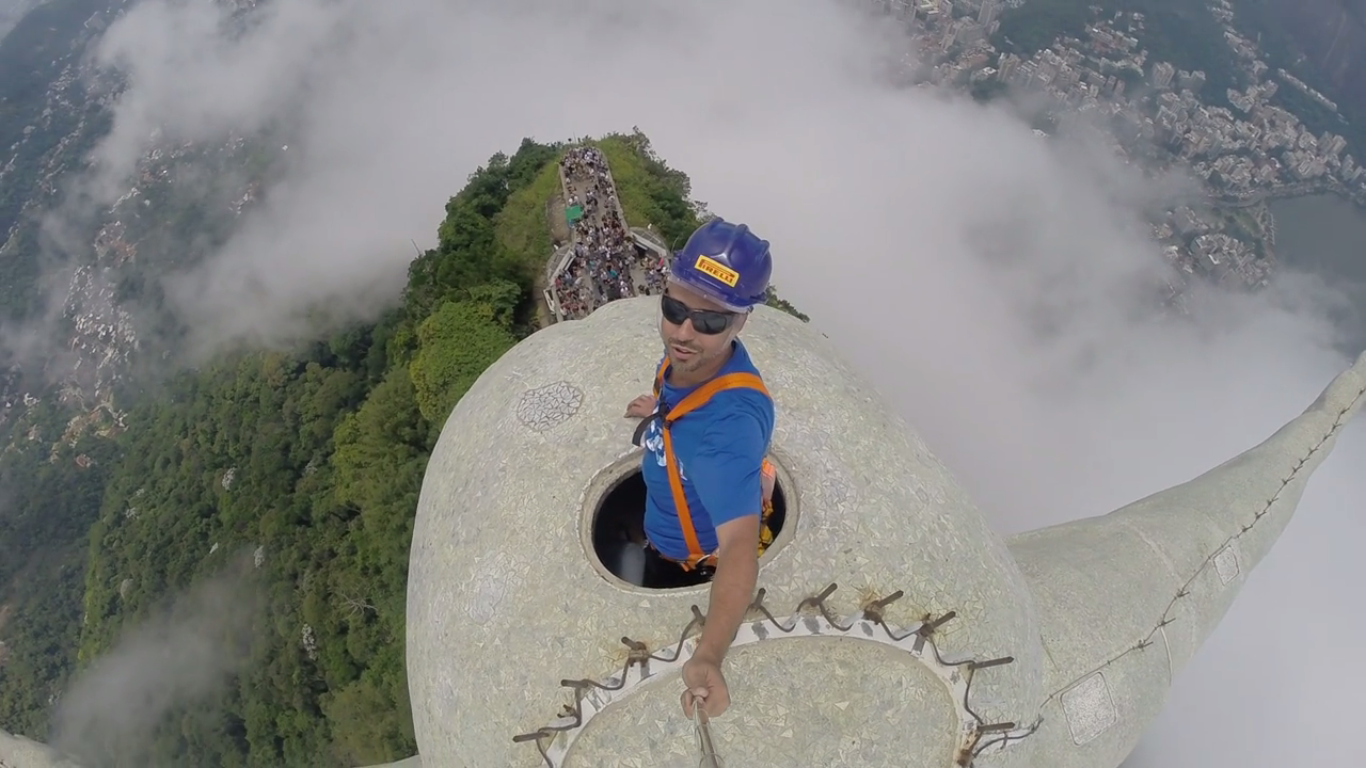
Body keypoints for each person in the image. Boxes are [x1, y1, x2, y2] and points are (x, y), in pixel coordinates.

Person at [623, 217, 777, 722]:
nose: (684, 332)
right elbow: (682, 388)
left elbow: (738, 548)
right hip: (663, 521)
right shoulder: (687, 363)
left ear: (740, 322)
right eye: (674, 309)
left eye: (710, 321)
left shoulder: (727, 428)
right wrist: (657, 409)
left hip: (689, 559)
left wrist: (709, 654)